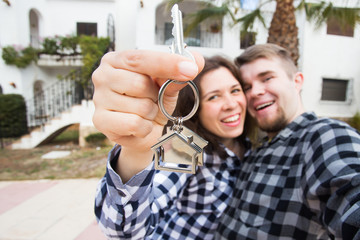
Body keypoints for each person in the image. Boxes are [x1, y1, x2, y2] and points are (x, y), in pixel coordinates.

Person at [93, 55, 254, 239]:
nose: (231, 104)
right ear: (194, 107)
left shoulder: (253, 145)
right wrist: (136, 150)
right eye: (214, 97)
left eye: (235, 90)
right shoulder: (184, 148)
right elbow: (125, 230)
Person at [216, 43, 360, 239]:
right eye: (246, 87)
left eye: (267, 78)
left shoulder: (324, 136)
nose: (255, 92)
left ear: (297, 81)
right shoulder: (254, 151)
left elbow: (351, 196)